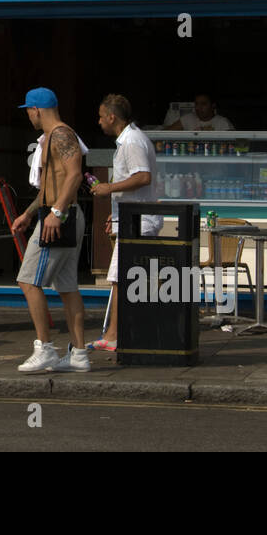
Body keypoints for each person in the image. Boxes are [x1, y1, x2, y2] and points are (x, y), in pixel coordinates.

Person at [9, 88, 90, 373]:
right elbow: (50, 185)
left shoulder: (61, 134)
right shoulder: (52, 137)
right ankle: (79, 354)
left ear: (36, 110)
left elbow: (75, 174)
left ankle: (44, 348)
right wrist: (29, 214)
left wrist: (56, 212)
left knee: (29, 281)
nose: (28, 116)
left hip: (59, 217)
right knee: (67, 288)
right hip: (60, 214)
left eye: (28, 111)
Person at [91, 94, 163, 351]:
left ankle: (115, 335)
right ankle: (117, 333)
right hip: (131, 217)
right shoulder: (130, 140)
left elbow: (143, 177)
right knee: (126, 279)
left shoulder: (131, 141)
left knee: (121, 279)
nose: (99, 122)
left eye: (101, 116)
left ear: (112, 117)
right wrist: (118, 211)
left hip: (139, 221)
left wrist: (109, 187)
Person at [165, 92, 234, 131]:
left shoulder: (223, 122)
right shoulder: (188, 118)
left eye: (203, 104)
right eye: (196, 104)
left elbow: (235, 143)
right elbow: (165, 133)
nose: (198, 108)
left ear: (213, 106)